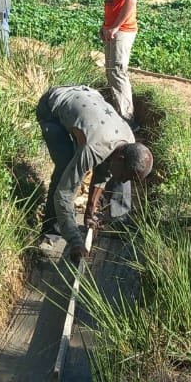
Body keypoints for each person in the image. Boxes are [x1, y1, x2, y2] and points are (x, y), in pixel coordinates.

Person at [36, 85, 154, 263]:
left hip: (88, 98)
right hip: (53, 105)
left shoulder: (128, 140)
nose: (123, 181)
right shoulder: (93, 148)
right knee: (65, 167)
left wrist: (90, 210)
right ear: (120, 159)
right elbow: (64, 193)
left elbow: (105, 172)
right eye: (125, 176)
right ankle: (51, 233)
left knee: (95, 162)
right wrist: (75, 241)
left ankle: (117, 218)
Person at [98, 0, 138, 123]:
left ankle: (127, 119)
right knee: (111, 72)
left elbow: (131, 1)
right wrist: (106, 26)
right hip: (113, 29)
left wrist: (115, 26)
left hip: (123, 30)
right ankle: (119, 113)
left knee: (117, 72)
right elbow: (113, 4)